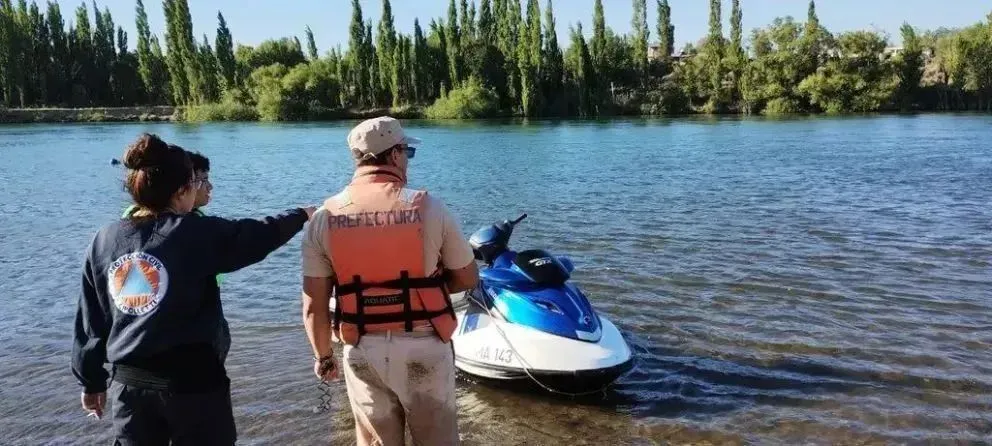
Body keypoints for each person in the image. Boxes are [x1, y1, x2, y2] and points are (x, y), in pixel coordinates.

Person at [72, 133, 316, 445]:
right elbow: (256, 235)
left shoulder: (105, 238)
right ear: (181, 190)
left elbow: (91, 318)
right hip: (194, 388)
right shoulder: (194, 233)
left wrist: (91, 381)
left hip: (130, 389)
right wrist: (301, 215)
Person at [301, 116, 479, 446]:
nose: (407, 160)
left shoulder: (324, 218)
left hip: (362, 348)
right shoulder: (429, 208)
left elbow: (314, 307)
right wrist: (425, 288)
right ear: (395, 155)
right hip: (424, 346)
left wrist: (323, 356)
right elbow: (467, 276)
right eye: (408, 152)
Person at [120, 150, 232, 364]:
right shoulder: (182, 227)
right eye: (202, 180)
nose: (209, 187)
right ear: (182, 186)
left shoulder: (196, 219)